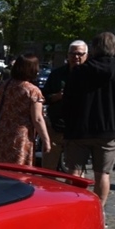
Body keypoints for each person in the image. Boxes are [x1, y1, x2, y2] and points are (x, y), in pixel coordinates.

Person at [63, 32, 115, 211]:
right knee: (102, 174)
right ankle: (98, 210)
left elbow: (68, 100)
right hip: (108, 129)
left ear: (93, 49)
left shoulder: (80, 71)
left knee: (75, 171)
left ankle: (74, 208)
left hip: (80, 128)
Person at [0, 53, 50, 166]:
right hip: (21, 135)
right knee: (19, 169)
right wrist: (46, 140)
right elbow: (37, 119)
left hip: (2, 133)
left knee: (1, 169)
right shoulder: (32, 91)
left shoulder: (5, 85)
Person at [41, 40, 88, 170]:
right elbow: (44, 97)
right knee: (48, 167)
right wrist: (57, 96)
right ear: (67, 55)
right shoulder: (57, 74)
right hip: (56, 126)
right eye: (72, 53)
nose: (76, 57)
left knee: (76, 170)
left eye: (80, 54)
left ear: (86, 55)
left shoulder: (90, 75)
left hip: (78, 130)